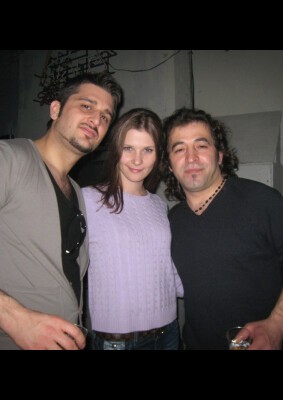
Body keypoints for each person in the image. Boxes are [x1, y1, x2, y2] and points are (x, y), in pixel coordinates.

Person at [0, 71, 123, 350]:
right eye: (86, 106)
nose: (96, 119)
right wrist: (12, 318)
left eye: (106, 116)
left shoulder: (76, 190)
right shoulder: (5, 158)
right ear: (55, 109)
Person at [162, 107, 283, 350]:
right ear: (169, 164)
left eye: (201, 145)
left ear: (219, 155)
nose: (191, 157)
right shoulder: (172, 220)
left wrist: (277, 325)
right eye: (179, 149)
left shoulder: (261, 201)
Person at [82, 108, 183, 350]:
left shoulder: (159, 205)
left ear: (158, 155)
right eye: (128, 148)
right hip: (118, 339)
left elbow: (165, 264)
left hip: (168, 332)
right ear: (116, 150)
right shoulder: (87, 199)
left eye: (147, 150)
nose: (137, 160)